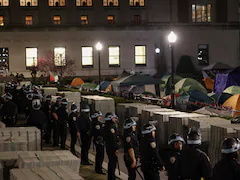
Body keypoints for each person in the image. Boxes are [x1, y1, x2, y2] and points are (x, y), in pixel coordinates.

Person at [104, 112, 120, 180]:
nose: (114, 119)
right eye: (113, 118)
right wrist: (116, 148)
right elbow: (113, 139)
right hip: (112, 148)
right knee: (112, 163)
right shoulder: (111, 127)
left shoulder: (107, 126)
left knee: (111, 162)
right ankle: (111, 177)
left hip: (108, 147)